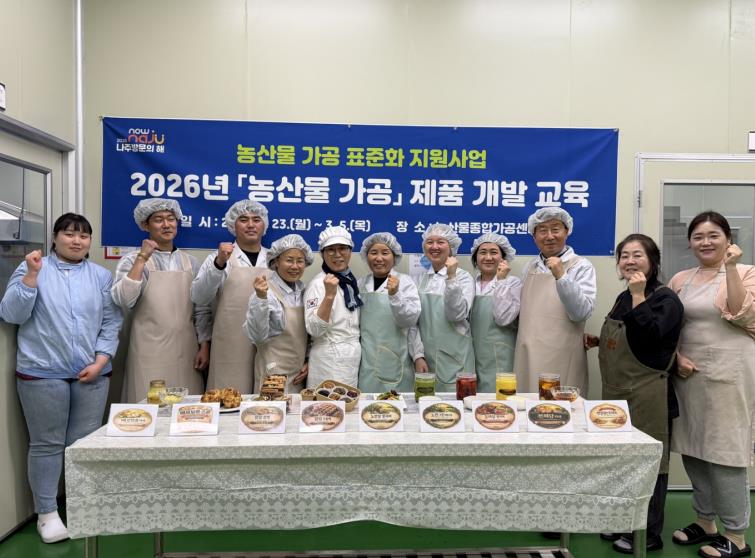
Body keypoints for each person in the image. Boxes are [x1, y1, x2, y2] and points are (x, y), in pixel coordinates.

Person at [0, 213, 122, 543]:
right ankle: (47, 513)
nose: (76, 241)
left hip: (92, 374)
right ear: (55, 238)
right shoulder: (33, 268)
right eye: (69, 234)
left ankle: (83, 505)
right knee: (47, 444)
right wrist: (31, 277)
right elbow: (11, 314)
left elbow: (111, 322)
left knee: (84, 444)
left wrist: (100, 361)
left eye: (83, 235)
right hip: (42, 372)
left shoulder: (100, 276)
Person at [584, 234, 683, 554]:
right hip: (616, 393)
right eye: (624, 256)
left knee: (650, 463)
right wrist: (600, 340)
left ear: (653, 261)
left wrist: (639, 295)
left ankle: (648, 532)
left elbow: (652, 337)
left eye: (637, 255)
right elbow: (627, 338)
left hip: (648, 394)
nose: (629, 261)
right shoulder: (623, 296)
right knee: (623, 461)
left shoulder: (666, 299)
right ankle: (624, 520)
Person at [667, 211, 755, 558]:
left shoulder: (746, 273)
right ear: (690, 242)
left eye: (713, 235)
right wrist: (676, 358)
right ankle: (705, 521)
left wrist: (730, 267)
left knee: (725, 452)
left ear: (728, 240)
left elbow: (742, 312)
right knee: (694, 447)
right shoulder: (681, 279)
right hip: (689, 376)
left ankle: (736, 535)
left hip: (730, 375)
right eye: (698, 236)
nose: (705, 242)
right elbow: (669, 326)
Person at [112, 199, 211, 401]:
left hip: (187, 351)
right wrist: (142, 258)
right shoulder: (132, 260)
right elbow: (123, 299)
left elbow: (201, 307)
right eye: (158, 220)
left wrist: (204, 345)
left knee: (187, 409)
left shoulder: (191, 262)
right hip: (148, 351)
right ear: (145, 225)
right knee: (149, 406)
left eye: (171, 219)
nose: (166, 225)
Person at [513, 207, 596, 394]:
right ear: (534, 236)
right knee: (528, 403)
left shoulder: (581, 266)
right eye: (542, 230)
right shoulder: (530, 267)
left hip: (563, 354)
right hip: (529, 353)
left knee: (560, 407)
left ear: (567, 232)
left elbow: (581, 312)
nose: (549, 236)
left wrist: (561, 276)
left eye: (555, 229)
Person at [191, 200, 269, 392]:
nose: (250, 225)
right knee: (229, 397)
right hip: (229, 343)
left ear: (264, 225)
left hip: (267, 342)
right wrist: (219, 263)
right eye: (243, 219)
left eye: (256, 219)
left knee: (264, 399)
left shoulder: (274, 259)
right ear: (233, 225)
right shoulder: (217, 258)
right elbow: (200, 299)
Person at [243, 234, 312, 393]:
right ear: (276, 262)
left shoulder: (303, 291)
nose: (295, 266)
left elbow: (309, 333)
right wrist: (261, 298)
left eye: (300, 261)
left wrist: (308, 360)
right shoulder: (266, 292)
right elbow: (258, 336)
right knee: (271, 408)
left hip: (298, 373)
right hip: (272, 372)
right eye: (289, 260)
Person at [410, 223, 475, 392]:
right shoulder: (419, 280)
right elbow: (413, 323)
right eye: (430, 242)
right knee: (426, 403)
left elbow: (457, 314)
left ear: (451, 247)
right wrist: (418, 355)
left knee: (457, 403)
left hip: (457, 358)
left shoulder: (464, 278)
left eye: (440, 242)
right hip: (427, 359)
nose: (434, 247)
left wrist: (451, 277)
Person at [357, 232, 421, 393]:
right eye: (373, 252)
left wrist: (395, 295)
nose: (379, 258)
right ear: (366, 256)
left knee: (396, 403)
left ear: (394, 257)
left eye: (385, 253)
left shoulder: (405, 282)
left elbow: (410, 320)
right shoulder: (360, 284)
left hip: (397, 357)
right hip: (366, 360)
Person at [304, 226, 362, 388]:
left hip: (351, 360)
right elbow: (314, 329)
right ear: (322, 254)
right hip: (327, 360)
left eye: (342, 248)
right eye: (331, 250)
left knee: (349, 401)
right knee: (327, 403)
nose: (337, 254)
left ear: (350, 251)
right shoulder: (318, 284)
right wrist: (329, 295)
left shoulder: (350, 282)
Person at [469, 233, 521, 393]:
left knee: (500, 397)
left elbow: (503, 317)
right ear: (476, 258)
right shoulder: (470, 283)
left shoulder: (513, 283)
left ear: (503, 258)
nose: (488, 257)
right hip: (472, 352)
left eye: (494, 252)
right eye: (482, 252)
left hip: (501, 354)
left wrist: (501, 280)